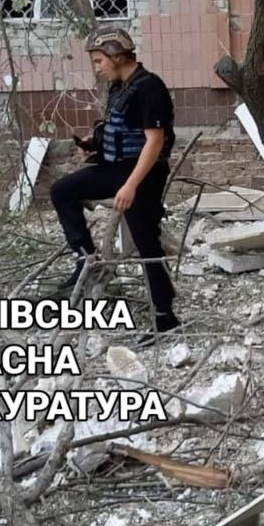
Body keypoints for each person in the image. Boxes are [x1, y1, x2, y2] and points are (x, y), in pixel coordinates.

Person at [50, 25, 180, 344]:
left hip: (144, 174)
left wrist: (131, 186)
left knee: (146, 244)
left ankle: (165, 318)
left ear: (117, 55)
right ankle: (87, 260)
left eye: (99, 61)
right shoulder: (121, 87)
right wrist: (96, 143)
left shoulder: (149, 88)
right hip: (117, 168)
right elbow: (124, 129)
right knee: (62, 191)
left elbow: (155, 141)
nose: (97, 68)